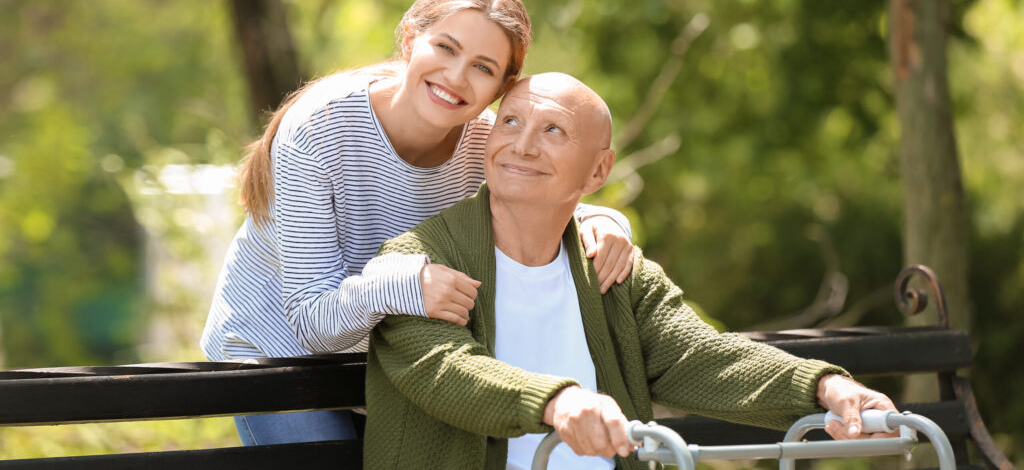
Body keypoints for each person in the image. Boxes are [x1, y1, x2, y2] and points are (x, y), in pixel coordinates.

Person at [363, 73, 898, 470]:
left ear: (598, 170)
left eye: (553, 130)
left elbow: (699, 356)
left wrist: (825, 387)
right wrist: (559, 402)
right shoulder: (416, 266)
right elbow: (449, 373)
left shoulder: (614, 269)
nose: (522, 144)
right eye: (510, 121)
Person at [199, 0, 635, 446]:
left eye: (482, 68)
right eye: (445, 48)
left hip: (395, 362)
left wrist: (604, 220)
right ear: (410, 38)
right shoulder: (319, 130)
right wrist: (405, 285)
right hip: (282, 352)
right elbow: (311, 322)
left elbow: (547, 196)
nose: (455, 77)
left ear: (502, 87)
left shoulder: (486, 142)